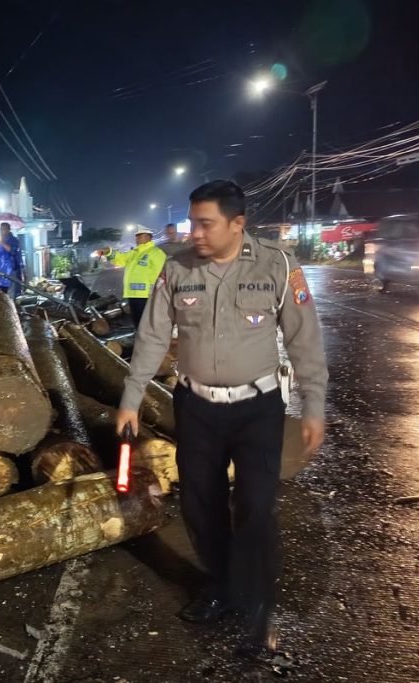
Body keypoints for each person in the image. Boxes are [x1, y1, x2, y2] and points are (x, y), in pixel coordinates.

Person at [115, 180, 328, 656]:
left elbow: (304, 340)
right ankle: (222, 586)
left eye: (206, 223)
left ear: (238, 223)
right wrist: (130, 399)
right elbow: (151, 337)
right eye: (193, 222)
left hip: (258, 408)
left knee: (254, 508)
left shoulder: (277, 265)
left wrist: (313, 405)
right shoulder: (177, 268)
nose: (196, 233)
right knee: (200, 504)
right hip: (196, 407)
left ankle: (257, 605)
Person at [106, 225, 167, 327]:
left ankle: (149, 341)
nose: (136, 239)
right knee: (137, 323)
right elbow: (120, 260)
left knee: (147, 325)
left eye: (139, 236)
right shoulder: (134, 253)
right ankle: (141, 340)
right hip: (133, 295)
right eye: (136, 236)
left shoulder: (156, 252)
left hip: (146, 296)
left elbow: (161, 274)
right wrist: (109, 252)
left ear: (148, 237)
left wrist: (158, 294)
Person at [0, 222, 25, 297]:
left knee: (11, 294)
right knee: (0, 294)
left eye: (4, 229)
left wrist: (2, 243)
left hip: (11, 271)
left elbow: (13, 251)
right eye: (1, 229)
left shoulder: (14, 240)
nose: (2, 231)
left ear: (8, 229)